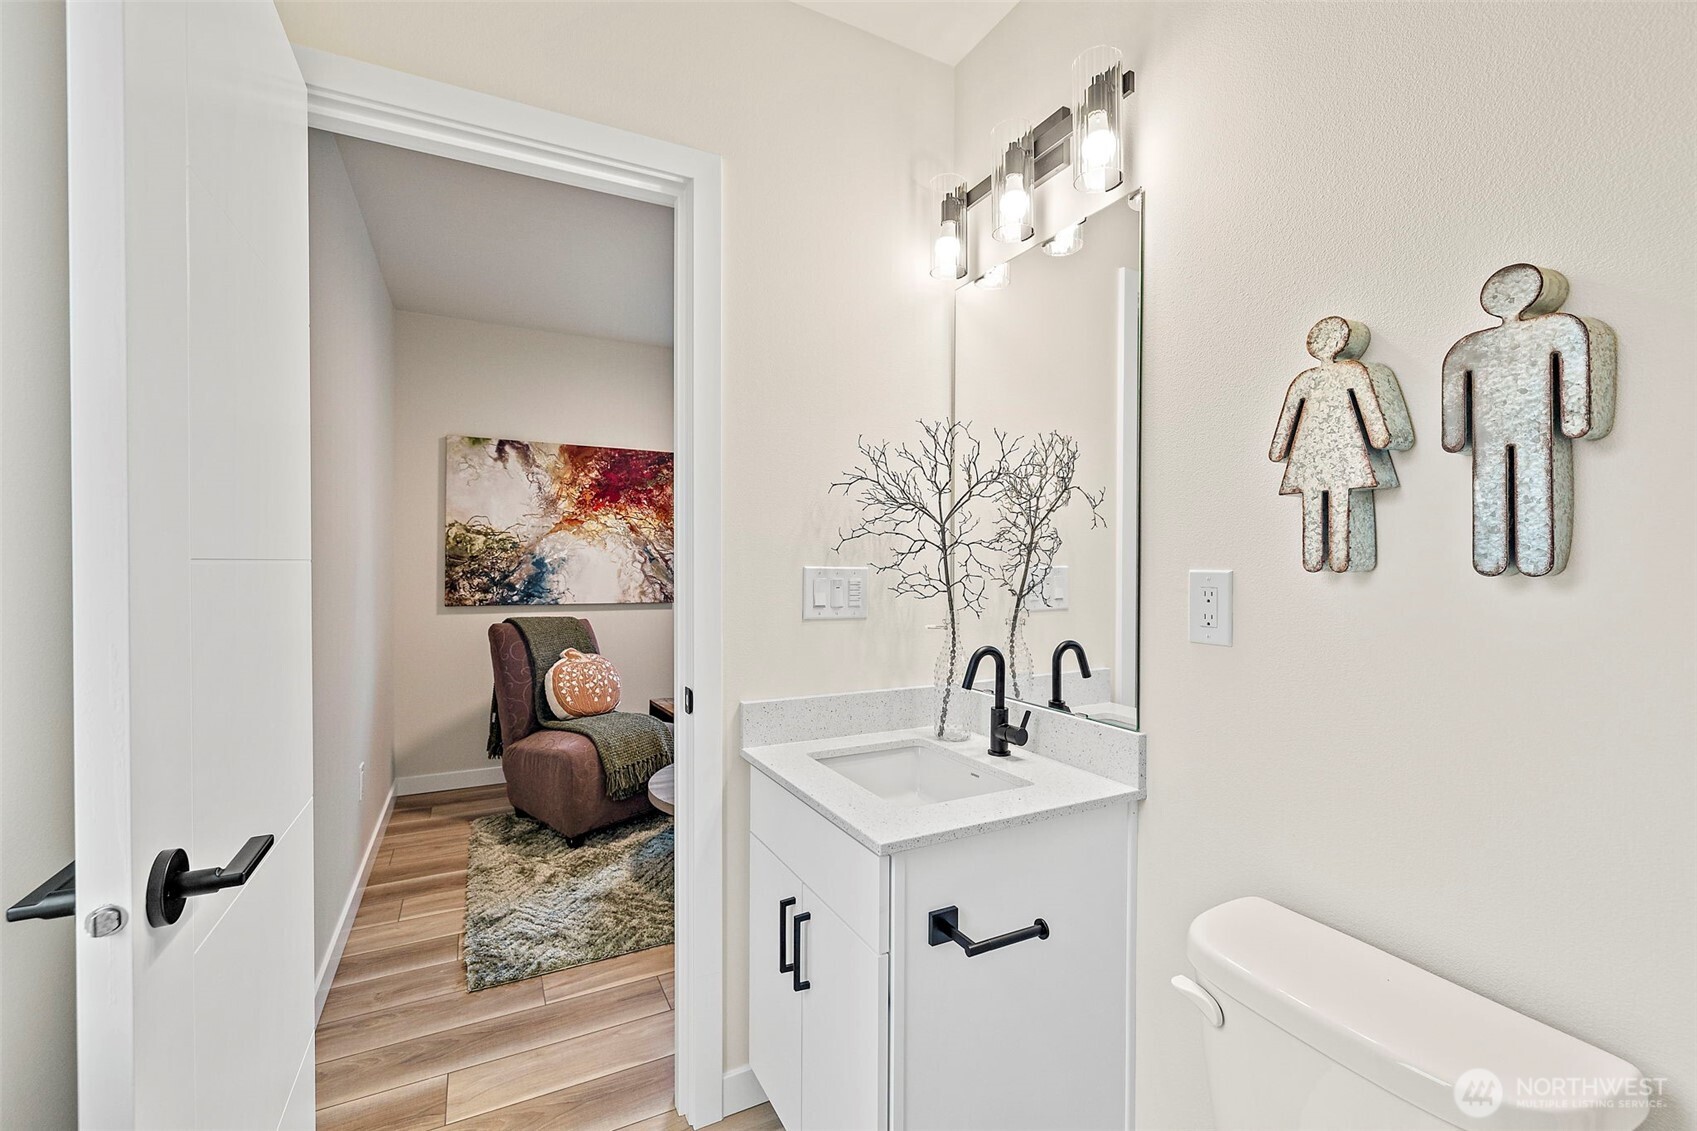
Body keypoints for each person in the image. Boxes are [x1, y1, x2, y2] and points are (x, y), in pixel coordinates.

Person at [1442, 264, 1617, 576]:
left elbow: (1577, 367)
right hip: (1499, 428)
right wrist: (1576, 419)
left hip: (1530, 425)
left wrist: (1576, 419)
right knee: (1501, 487)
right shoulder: (1473, 345)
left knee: (1525, 483)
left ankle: (1521, 558)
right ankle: (1501, 557)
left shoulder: (1555, 329)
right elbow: (1455, 390)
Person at [1270, 317, 1414, 572]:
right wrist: (1382, 437)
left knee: (1320, 501)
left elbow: (1283, 433)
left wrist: (1279, 450)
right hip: (1338, 453)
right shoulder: (1349, 374)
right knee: (1335, 499)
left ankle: (1320, 558)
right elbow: (1376, 417)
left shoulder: (1308, 379)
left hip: (1317, 454)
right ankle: (1334, 558)